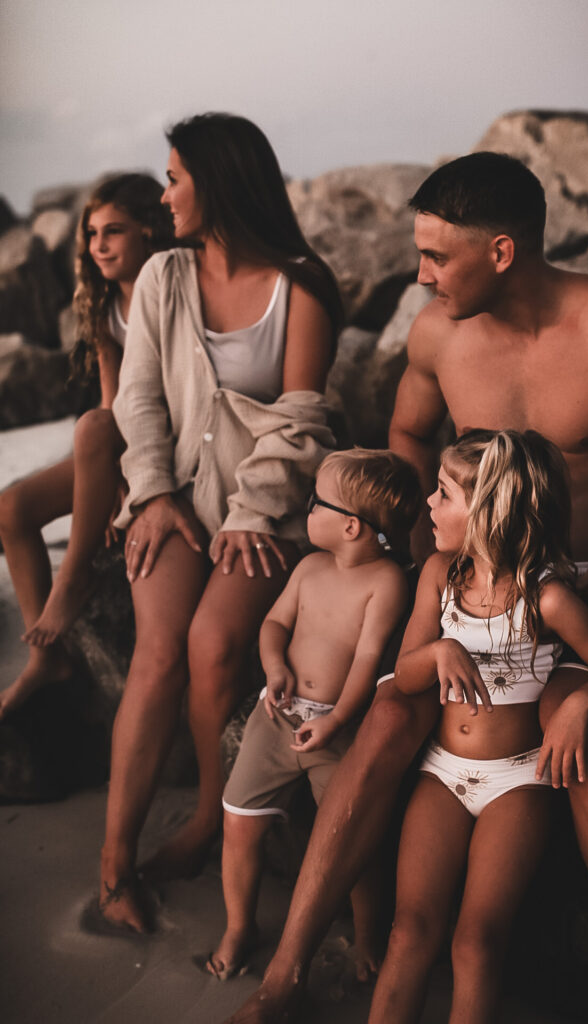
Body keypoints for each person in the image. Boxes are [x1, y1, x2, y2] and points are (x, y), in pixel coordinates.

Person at [228, 153, 588, 1024]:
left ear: (503, 252)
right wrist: (417, 562)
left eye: (437, 258)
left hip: (581, 591)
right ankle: (284, 973)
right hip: (467, 582)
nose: (421, 275)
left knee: (573, 731)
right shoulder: (439, 333)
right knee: (392, 712)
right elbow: (404, 433)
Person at [99, 113, 343, 933]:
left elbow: (301, 419)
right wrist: (153, 493)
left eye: (173, 178)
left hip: (267, 511)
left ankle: (210, 816)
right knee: (157, 655)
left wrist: (251, 512)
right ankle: (112, 869)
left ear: (219, 179)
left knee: (212, 648)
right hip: (176, 499)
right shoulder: (164, 275)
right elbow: (138, 399)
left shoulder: (300, 285)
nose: (163, 194)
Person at [368, 430, 588, 1024]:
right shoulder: (439, 575)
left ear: (488, 510)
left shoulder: (546, 599)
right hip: (442, 773)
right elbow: (404, 674)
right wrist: (439, 651)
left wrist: (578, 705)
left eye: (443, 494)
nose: (429, 505)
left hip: (515, 782)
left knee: (476, 941)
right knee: (409, 929)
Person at [206, 448, 420, 982]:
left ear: (350, 526)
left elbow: (369, 661)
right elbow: (274, 624)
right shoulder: (309, 567)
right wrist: (274, 666)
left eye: (315, 501)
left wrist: (337, 720)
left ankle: (367, 935)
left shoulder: (386, 583)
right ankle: (239, 926)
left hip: (338, 729)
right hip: (278, 716)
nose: (307, 507)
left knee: (353, 842)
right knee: (238, 822)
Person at [0, 173, 173, 720]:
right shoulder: (103, 306)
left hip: (171, 445)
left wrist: (136, 477)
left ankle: (72, 579)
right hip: (118, 443)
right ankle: (46, 659)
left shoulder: (172, 291)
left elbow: (177, 401)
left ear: (149, 230)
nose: (98, 245)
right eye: (92, 234)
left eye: (114, 231)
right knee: (11, 508)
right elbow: (112, 398)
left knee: (95, 428)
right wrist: (111, 480)